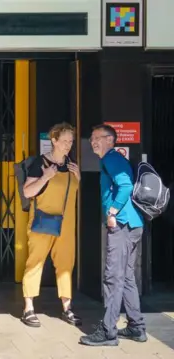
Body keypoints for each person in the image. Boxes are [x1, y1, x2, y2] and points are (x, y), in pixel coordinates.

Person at [80, 124, 147, 346]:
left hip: (122, 225)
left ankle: (108, 332)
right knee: (127, 278)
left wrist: (113, 211)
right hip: (133, 225)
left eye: (97, 137)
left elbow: (125, 186)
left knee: (113, 278)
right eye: (91, 138)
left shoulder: (111, 158)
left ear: (110, 139)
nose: (93, 142)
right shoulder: (110, 159)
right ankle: (136, 328)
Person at [20, 123, 82, 328]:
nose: (68, 145)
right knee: (35, 262)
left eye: (71, 141)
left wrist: (78, 178)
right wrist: (46, 177)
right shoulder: (41, 162)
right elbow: (27, 192)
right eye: (64, 141)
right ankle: (28, 308)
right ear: (53, 140)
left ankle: (67, 308)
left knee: (66, 265)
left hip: (66, 224)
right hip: (43, 220)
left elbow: (72, 192)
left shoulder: (71, 164)